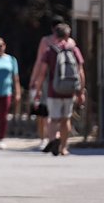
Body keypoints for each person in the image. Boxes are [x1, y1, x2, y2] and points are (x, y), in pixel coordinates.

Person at [30, 22, 85, 156]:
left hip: (53, 91)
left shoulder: (50, 51)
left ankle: (53, 140)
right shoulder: (74, 50)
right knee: (66, 119)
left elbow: (43, 73)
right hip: (70, 90)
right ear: (68, 35)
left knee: (53, 119)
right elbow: (81, 72)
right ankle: (64, 147)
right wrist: (80, 91)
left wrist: (37, 90)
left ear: (55, 34)